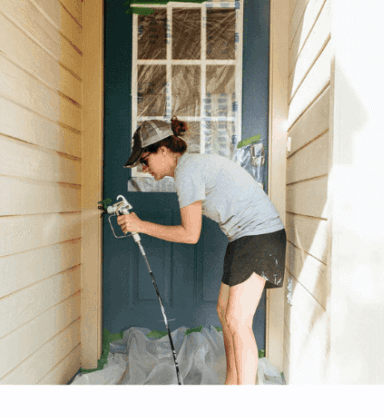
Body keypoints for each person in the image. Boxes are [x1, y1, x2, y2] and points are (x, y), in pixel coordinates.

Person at [118, 118, 286, 385]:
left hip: (260, 237)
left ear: (162, 150)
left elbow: (190, 234)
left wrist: (140, 225)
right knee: (224, 311)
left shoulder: (188, 171)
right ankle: (232, 385)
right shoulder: (188, 168)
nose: (143, 167)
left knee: (237, 321)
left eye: (144, 160)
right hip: (244, 238)